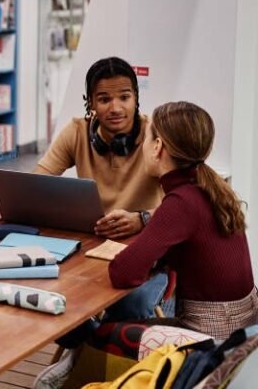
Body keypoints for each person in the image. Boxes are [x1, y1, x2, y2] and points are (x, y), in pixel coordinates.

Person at [109, 101, 257, 339]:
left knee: (103, 334)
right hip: (243, 329)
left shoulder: (181, 202)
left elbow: (122, 272)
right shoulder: (207, 187)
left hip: (211, 341)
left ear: (157, 146)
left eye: (146, 138)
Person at [0, 57, 163, 240]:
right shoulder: (77, 132)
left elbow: (188, 202)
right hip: (94, 237)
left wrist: (143, 219)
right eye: (104, 99)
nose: (115, 108)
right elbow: (38, 180)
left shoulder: (156, 134)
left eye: (124, 97)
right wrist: (9, 199)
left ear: (136, 98)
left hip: (144, 236)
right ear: (91, 103)